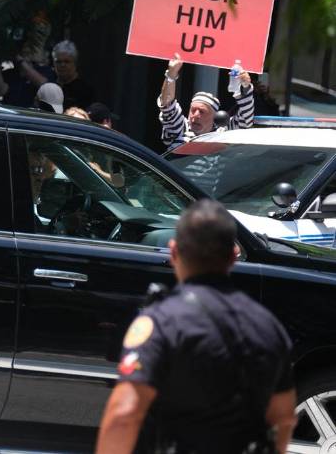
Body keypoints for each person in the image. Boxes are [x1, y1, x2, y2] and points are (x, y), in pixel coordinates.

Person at [96, 199, 297, 454]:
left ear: (174, 252)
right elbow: (283, 418)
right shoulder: (268, 326)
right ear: (233, 255)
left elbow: (124, 413)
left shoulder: (161, 322)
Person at [158, 53, 254, 150]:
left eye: (202, 111)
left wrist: (245, 88)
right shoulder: (181, 128)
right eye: (193, 110)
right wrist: (171, 75)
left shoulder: (223, 133)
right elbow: (167, 105)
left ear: (215, 117)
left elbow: (246, 121)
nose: (196, 115)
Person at [52, 40, 95, 109]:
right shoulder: (49, 87)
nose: (62, 65)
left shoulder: (85, 90)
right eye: (58, 62)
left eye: (67, 61)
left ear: (75, 63)